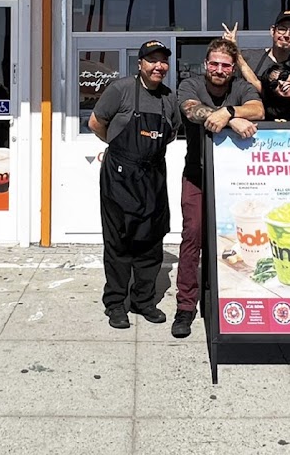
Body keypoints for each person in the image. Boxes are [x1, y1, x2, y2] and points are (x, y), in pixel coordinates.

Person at [172, 38, 264, 338]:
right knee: (192, 239)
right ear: (205, 64)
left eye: (226, 65)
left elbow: (258, 109)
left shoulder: (240, 88)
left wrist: (231, 113)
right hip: (197, 177)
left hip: (235, 183)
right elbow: (190, 110)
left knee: (233, 241)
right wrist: (227, 119)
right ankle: (185, 306)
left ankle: (230, 297)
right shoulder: (191, 85)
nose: (220, 70)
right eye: (214, 63)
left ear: (233, 67)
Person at [88, 40, 181, 330]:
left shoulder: (169, 98)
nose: (158, 66)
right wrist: (117, 150)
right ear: (139, 64)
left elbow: (171, 134)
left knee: (150, 242)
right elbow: (95, 122)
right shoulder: (121, 89)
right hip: (119, 176)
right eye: (151, 60)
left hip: (152, 177)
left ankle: (144, 301)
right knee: (118, 243)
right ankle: (116, 304)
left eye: (163, 61)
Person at [223, 10, 290, 94]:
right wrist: (230, 48)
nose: (286, 35)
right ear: (272, 31)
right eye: (282, 29)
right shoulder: (247, 57)